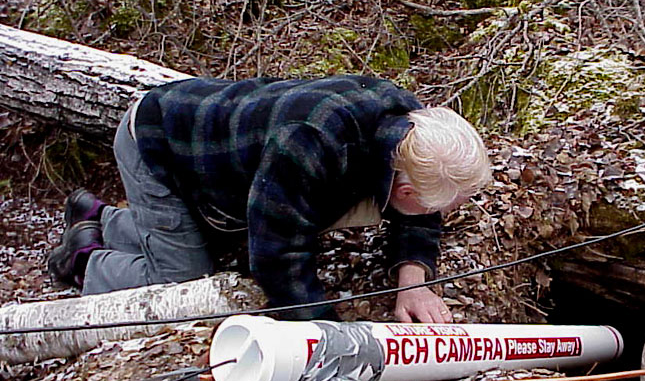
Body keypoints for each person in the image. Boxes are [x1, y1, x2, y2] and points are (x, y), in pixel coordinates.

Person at [47, 75, 491, 323]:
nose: (442, 217)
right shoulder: (311, 146)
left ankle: (99, 219)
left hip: (224, 150)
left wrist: (412, 282)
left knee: (198, 239)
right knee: (184, 279)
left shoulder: (409, 135)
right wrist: (331, 337)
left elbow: (417, 209)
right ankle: (85, 258)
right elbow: (278, 257)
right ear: (405, 190)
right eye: (442, 208)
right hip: (163, 146)